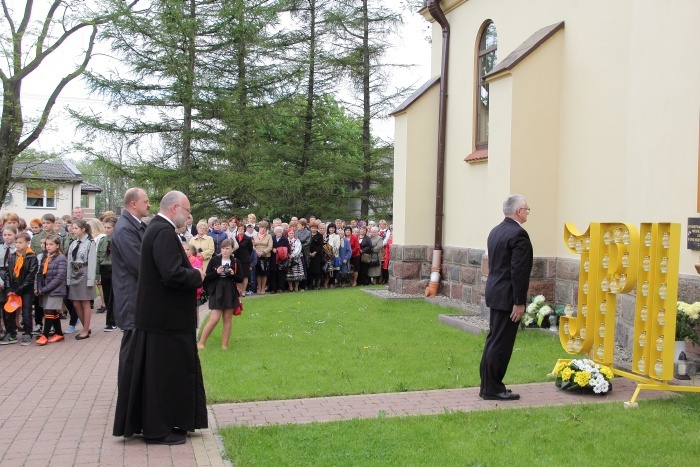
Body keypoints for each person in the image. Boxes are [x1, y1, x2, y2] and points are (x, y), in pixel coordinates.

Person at [115, 190, 206, 446]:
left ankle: (167, 422)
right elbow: (172, 274)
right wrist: (197, 275)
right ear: (175, 208)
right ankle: (158, 429)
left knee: (164, 375)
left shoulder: (156, 229)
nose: (189, 217)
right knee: (161, 378)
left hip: (162, 319)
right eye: (187, 211)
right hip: (164, 320)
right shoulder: (163, 232)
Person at [479, 194, 533, 402]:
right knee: (501, 343)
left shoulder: (496, 231)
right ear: (519, 211)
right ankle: (492, 388)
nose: (528, 212)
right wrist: (519, 302)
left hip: (495, 291)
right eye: (527, 209)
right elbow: (518, 271)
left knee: (494, 340)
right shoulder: (518, 234)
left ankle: (488, 384)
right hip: (507, 297)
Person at [111, 187, 150, 437]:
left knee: (136, 358)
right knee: (131, 359)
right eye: (146, 201)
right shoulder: (125, 229)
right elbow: (140, 264)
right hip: (132, 301)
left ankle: (135, 413)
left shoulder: (134, 225)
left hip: (137, 299)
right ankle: (128, 416)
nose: (149, 205)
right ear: (133, 204)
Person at [199, 239, 243, 350]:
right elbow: (207, 277)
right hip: (217, 290)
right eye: (223, 248)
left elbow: (240, 278)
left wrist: (233, 274)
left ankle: (224, 346)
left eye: (227, 248)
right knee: (214, 318)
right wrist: (216, 272)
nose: (224, 251)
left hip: (230, 290)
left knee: (227, 318)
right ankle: (201, 343)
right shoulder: (214, 260)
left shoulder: (236, 261)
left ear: (232, 249)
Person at [5, 232, 38, 345]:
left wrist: (20, 289)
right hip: (14, 289)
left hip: (26, 289)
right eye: (16, 242)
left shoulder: (32, 257)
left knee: (26, 312)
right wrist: (9, 288)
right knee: (10, 311)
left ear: (28, 243)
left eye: (20, 242)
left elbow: (30, 276)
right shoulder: (13, 256)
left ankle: (27, 333)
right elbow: (8, 273)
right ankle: (11, 333)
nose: (18, 245)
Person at [67, 219, 97, 340]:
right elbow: (69, 261)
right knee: (75, 302)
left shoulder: (90, 242)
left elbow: (92, 262)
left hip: (84, 272)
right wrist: (68, 279)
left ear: (83, 229)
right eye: (72, 228)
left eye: (75, 228)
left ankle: (85, 330)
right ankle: (85, 326)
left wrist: (90, 280)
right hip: (74, 272)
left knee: (85, 302)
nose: (73, 230)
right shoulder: (74, 243)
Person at [34, 235, 67, 345]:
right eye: (46, 244)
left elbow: (59, 277)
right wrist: (39, 288)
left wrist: (46, 288)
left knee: (49, 310)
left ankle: (45, 335)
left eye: (51, 244)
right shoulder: (46, 257)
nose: (48, 246)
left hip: (56, 290)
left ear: (57, 245)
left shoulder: (61, 258)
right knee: (52, 311)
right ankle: (59, 333)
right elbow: (40, 274)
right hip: (46, 289)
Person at [98, 216, 118, 331]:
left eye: (109, 227)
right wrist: (97, 274)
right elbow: (98, 257)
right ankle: (110, 320)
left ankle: (113, 321)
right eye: (105, 227)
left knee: (114, 296)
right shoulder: (103, 240)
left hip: (114, 269)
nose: (106, 230)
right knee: (107, 296)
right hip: (104, 269)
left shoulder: (118, 239)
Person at [253, 221, 272, 295]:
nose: (263, 229)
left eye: (264, 228)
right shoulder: (255, 236)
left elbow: (270, 246)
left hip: (265, 256)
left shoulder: (269, 236)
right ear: (259, 228)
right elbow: (253, 245)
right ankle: (259, 287)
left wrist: (263, 252)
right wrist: (257, 252)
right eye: (261, 228)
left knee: (264, 273)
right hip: (257, 256)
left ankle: (263, 288)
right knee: (258, 273)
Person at [234, 224, 253, 297]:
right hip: (236, 258)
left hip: (245, 259)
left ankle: (244, 291)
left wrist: (246, 255)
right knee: (237, 275)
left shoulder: (247, 239)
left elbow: (250, 249)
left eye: (242, 229)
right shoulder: (235, 238)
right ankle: (239, 289)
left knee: (245, 275)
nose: (240, 230)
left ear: (244, 230)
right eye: (239, 229)